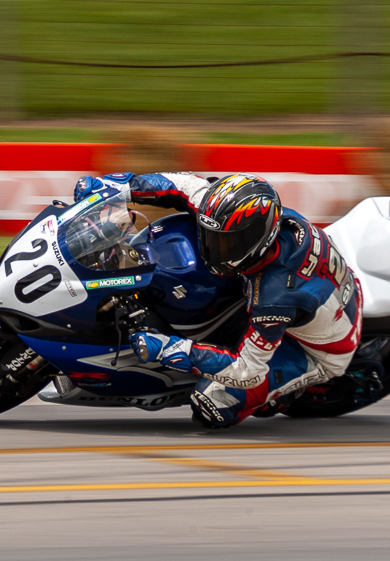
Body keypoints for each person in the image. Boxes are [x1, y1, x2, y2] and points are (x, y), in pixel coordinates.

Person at [73, 171, 363, 429]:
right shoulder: (239, 213)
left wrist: (172, 349)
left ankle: (280, 396)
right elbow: (182, 184)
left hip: (317, 350)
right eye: (210, 236)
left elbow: (248, 371)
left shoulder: (276, 297)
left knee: (210, 406)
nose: (212, 248)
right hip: (321, 293)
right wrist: (115, 185)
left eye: (226, 242)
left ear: (257, 239)